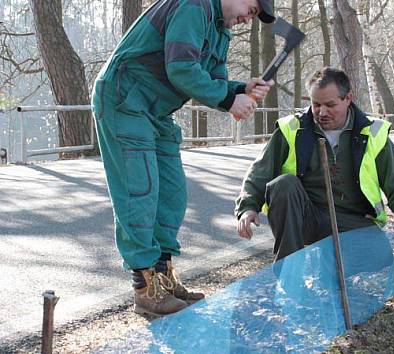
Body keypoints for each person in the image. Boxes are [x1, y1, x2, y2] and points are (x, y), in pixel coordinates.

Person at [91, 0, 275, 316]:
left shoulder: (220, 30)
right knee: (140, 193)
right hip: (125, 100)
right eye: (251, 9)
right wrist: (230, 100)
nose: (247, 19)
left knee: (173, 194)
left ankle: (163, 276)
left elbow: (209, 80)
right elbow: (181, 69)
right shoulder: (194, 6)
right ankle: (145, 288)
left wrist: (240, 88)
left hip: (157, 111)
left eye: (254, 16)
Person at [235, 67, 394, 261]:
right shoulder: (291, 129)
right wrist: (248, 208)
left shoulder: (373, 132)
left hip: (354, 221)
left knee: (379, 258)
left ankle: (330, 261)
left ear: (348, 98)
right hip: (307, 218)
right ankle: (290, 272)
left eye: (330, 105)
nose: (322, 112)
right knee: (283, 184)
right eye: (316, 105)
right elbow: (260, 172)